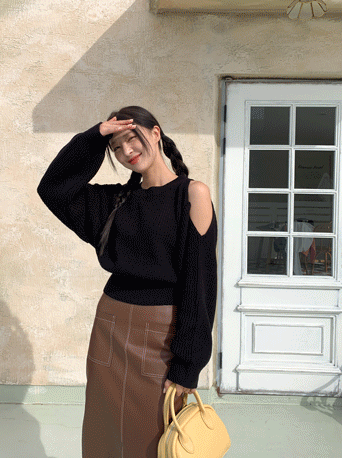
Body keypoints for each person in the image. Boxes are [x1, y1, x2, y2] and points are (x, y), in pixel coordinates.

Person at [37, 106, 218, 458]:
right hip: (110, 328)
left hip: (162, 334)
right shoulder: (114, 202)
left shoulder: (192, 194)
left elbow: (200, 284)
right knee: (103, 431)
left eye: (132, 139)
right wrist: (94, 138)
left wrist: (188, 365)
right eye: (116, 147)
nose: (126, 152)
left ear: (155, 133)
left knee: (152, 435)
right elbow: (53, 189)